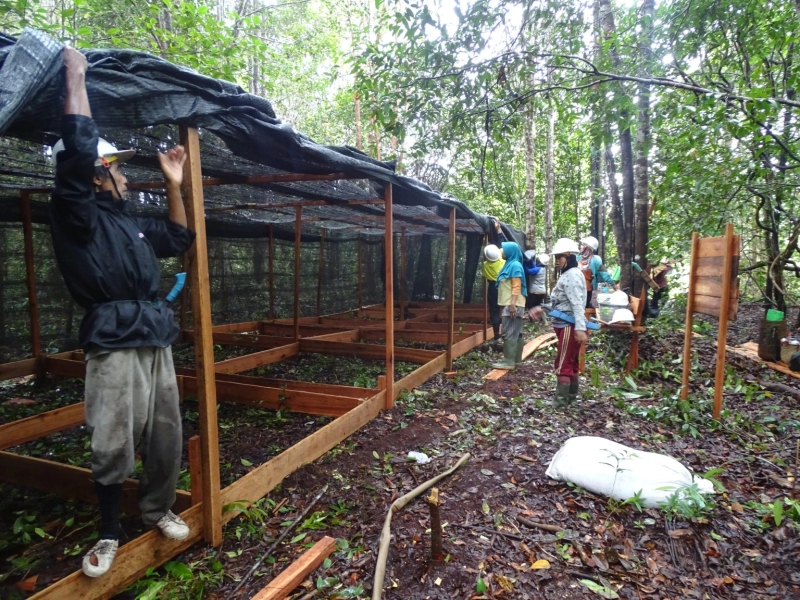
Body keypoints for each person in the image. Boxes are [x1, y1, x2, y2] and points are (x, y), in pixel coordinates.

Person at [52, 47, 196, 578]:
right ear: (97, 176)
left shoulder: (130, 224)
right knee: (113, 437)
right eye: (118, 172)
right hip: (112, 338)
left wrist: (174, 184)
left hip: (153, 334)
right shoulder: (76, 216)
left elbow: (181, 236)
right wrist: (76, 77)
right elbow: (78, 148)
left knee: (165, 432)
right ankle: (110, 531)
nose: (127, 180)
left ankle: (158, 509)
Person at [529, 238, 588, 407]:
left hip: (569, 326)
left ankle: (561, 403)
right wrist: (542, 308)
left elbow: (577, 303)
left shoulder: (572, 275)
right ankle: (570, 399)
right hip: (566, 325)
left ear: (568, 256)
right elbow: (559, 302)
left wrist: (580, 327)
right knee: (570, 361)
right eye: (555, 258)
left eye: (559, 257)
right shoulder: (568, 274)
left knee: (563, 363)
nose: (556, 261)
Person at [491, 242, 527, 370]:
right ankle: (516, 360)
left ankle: (508, 361)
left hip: (512, 303)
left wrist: (512, 304)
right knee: (516, 332)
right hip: (511, 303)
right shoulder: (510, 264)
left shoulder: (515, 265)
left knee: (509, 332)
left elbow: (516, 286)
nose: (502, 252)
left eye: (504, 250)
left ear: (511, 251)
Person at [482, 219, 508, 349]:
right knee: (503, 309)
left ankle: (496, 335)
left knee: (493, 311)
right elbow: (502, 243)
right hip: (503, 287)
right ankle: (505, 333)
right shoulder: (503, 262)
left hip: (492, 287)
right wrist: (498, 230)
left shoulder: (485, 265)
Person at [578, 236, 615, 307]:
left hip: (587, 291)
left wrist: (615, 287)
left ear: (588, 247)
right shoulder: (578, 258)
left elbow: (605, 274)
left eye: (583, 244)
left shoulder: (595, 261)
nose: (581, 246)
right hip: (576, 290)